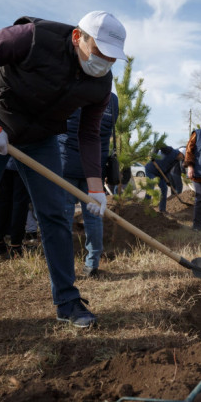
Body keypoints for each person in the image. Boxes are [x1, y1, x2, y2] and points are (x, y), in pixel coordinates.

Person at [0, 11, 127, 344]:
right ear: (79, 37)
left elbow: (89, 133)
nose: (104, 63)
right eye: (99, 52)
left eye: (111, 58)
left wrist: (95, 186)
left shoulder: (100, 82)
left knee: (55, 217)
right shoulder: (32, 38)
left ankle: (67, 301)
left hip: (40, 137)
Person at [59, 93, 119, 278]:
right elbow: (106, 130)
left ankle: (62, 265)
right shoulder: (112, 100)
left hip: (67, 164)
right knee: (94, 216)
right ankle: (92, 264)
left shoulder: (73, 90)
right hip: (94, 168)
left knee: (64, 216)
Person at [0, 157, 30, 258]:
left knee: (2, 204)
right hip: (21, 162)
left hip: (2, 161)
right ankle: (16, 246)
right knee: (19, 205)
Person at [144, 144, 184, 214]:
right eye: (183, 157)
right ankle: (144, 207)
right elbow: (158, 144)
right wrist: (153, 155)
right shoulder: (170, 150)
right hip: (151, 169)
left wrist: (167, 180)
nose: (182, 159)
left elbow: (167, 170)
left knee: (164, 188)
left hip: (160, 173)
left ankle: (162, 209)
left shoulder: (176, 160)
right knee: (151, 186)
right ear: (181, 153)